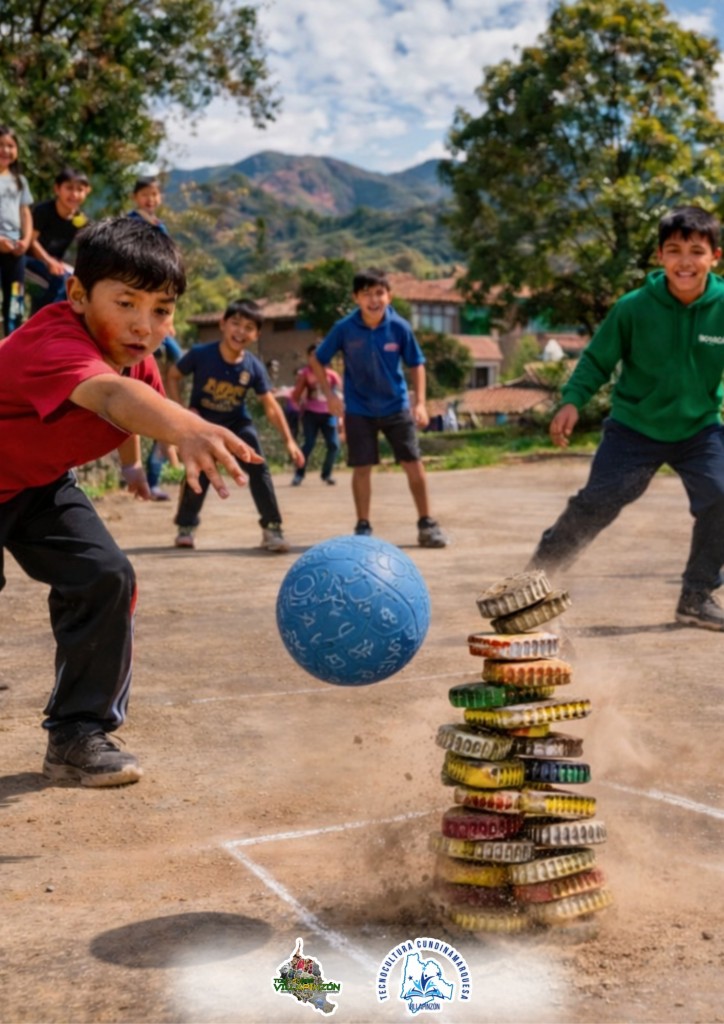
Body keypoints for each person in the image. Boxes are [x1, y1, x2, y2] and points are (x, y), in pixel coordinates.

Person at [0, 216, 262, 786]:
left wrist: (133, 466)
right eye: (126, 303)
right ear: (76, 295)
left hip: (34, 485)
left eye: (162, 310)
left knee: (106, 576)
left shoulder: (135, 359)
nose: (145, 325)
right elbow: (113, 396)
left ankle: (76, 735)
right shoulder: (54, 340)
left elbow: (130, 404)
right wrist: (189, 427)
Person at [528, 204, 724, 632]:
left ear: (715, 257)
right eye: (674, 250)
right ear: (659, 257)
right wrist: (572, 400)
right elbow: (597, 360)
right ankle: (534, 585)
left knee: (721, 496)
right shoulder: (634, 308)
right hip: (634, 428)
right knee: (598, 502)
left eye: (696, 251)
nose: (685, 261)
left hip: (699, 427)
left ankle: (696, 596)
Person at [310, 267, 447, 547]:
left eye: (379, 293)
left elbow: (417, 364)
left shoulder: (400, 327)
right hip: (359, 409)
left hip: (396, 406)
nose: (374, 300)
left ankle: (427, 523)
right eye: (366, 294)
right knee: (362, 467)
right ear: (356, 298)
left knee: (413, 463)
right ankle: (363, 526)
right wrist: (331, 395)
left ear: (389, 296)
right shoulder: (344, 328)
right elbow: (317, 359)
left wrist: (420, 403)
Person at [167, 297, 305, 552]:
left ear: (256, 334)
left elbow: (270, 405)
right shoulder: (200, 354)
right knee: (199, 473)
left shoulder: (252, 366)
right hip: (202, 425)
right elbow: (173, 375)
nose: (240, 331)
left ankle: (272, 528)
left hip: (236, 426)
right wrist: (182, 412)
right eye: (236, 323)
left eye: (249, 327)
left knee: (258, 467)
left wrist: (289, 440)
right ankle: (186, 527)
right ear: (223, 324)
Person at [27, 167, 91, 312]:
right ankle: (45, 322)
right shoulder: (43, 211)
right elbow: (31, 241)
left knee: (76, 284)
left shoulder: (79, 219)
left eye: (80, 189)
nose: (74, 194)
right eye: (69, 188)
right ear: (57, 189)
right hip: (30, 262)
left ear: (87, 191)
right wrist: (49, 261)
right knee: (57, 283)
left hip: (56, 265)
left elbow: (87, 244)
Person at [290, 343, 342, 486]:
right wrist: (296, 405)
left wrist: (341, 417)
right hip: (310, 413)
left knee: (334, 445)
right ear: (308, 357)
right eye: (312, 355)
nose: (316, 358)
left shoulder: (332, 375)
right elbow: (296, 394)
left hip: (329, 414)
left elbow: (340, 396)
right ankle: (299, 474)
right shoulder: (305, 373)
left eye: (319, 355)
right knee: (309, 443)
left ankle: (327, 474)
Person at [0, 125, 33, 336]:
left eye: (10, 145)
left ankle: (13, 342)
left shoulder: (20, 181)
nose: (5, 150)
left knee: (15, 299)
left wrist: (26, 240)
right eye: (0, 145)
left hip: (15, 248)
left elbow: (25, 213)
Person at [146, 331, 183, 500]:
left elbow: (180, 358)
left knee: (164, 440)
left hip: (159, 395)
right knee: (164, 440)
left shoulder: (164, 341)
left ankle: (153, 483)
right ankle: (175, 472)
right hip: (143, 394)